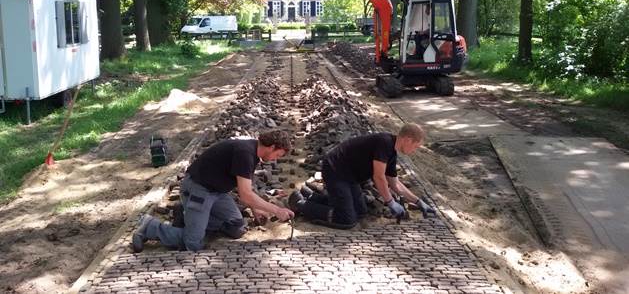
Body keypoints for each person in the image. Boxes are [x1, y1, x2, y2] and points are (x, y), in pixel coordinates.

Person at [132, 130, 295, 253]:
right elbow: (245, 194)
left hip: (217, 192)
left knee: (236, 227)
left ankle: (183, 212)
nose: (275, 159)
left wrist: (255, 208)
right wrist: (276, 210)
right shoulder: (245, 152)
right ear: (271, 147)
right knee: (194, 244)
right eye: (277, 155)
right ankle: (149, 226)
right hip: (198, 190)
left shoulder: (252, 152)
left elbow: (244, 186)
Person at [289, 123, 435, 229]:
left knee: (361, 212)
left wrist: (418, 202)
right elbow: (379, 178)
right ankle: (301, 204)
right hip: (335, 170)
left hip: (350, 176)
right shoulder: (384, 143)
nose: (415, 150)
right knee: (346, 220)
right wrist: (390, 202)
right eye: (416, 146)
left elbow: (395, 184)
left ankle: (309, 195)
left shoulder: (391, 153)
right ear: (408, 140)